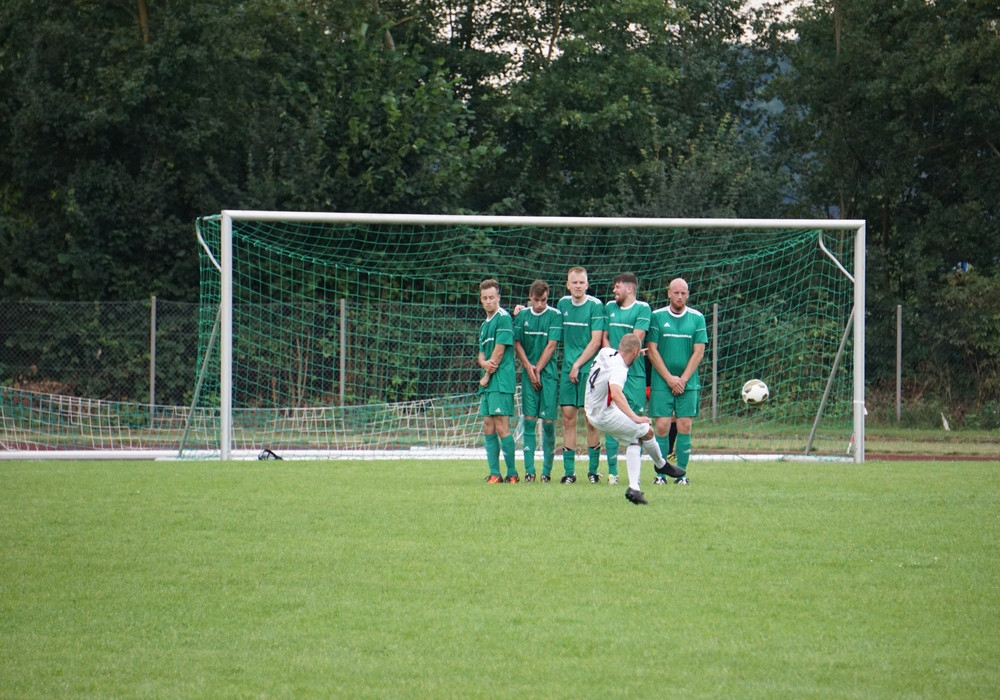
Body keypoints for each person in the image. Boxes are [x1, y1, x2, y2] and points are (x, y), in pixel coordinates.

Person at [585, 333, 685, 505]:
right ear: (634, 351)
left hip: (592, 409)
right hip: (604, 414)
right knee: (647, 430)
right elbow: (616, 393)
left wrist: (638, 351)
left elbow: (614, 359)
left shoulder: (606, 352)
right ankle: (661, 464)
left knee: (635, 440)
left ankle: (634, 489)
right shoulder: (620, 369)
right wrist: (635, 417)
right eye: (637, 353)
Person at [646, 278, 707, 484]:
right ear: (669, 293)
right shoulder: (656, 317)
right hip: (663, 381)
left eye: (683, 293)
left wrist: (683, 379)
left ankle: (682, 474)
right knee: (662, 426)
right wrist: (669, 379)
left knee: (685, 425)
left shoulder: (697, 318)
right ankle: (660, 474)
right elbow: (652, 351)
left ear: (688, 294)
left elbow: (699, 352)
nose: (679, 297)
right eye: (676, 293)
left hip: (687, 382)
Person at [556, 266, 606, 483]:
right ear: (568, 285)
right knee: (568, 419)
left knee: (591, 420)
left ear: (587, 284)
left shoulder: (595, 306)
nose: (577, 286)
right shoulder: (562, 305)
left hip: (588, 370)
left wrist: (577, 364)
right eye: (574, 282)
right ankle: (569, 473)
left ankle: (593, 472)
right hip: (568, 371)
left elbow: (596, 341)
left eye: (581, 282)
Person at [601, 273, 652, 485]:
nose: (614, 291)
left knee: (636, 424)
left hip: (635, 374)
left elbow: (636, 339)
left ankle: (635, 475)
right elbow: (604, 337)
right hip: (612, 372)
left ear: (629, 289)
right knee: (613, 420)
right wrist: (612, 358)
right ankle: (613, 474)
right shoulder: (609, 308)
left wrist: (621, 355)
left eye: (617, 287)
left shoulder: (643, 309)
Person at [513, 280, 563, 483]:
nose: (540, 304)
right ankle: (530, 471)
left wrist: (538, 369)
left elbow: (551, 345)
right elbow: (516, 343)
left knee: (549, 424)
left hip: (548, 374)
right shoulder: (522, 315)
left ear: (547, 297)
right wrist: (529, 368)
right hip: (529, 374)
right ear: (530, 297)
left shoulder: (555, 315)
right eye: (536, 300)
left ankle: (547, 472)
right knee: (529, 421)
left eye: (543, 300)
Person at [477, 279, 518, 483]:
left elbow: (499, 352)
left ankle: (512, 473)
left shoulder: (503, 318)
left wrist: (486, 375)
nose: (488, 301)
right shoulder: (484, 325)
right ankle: (495, 473)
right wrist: (484, 365)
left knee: (502, 426)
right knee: (487, 425)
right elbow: (481, 355)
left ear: (498, 298)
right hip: (489, 383)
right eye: (485, 298)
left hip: (500, 381)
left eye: (492, 297)